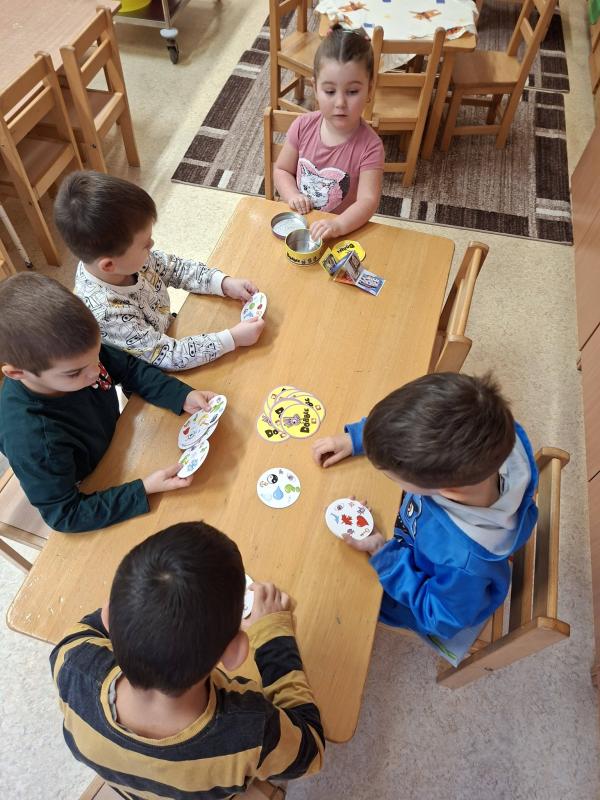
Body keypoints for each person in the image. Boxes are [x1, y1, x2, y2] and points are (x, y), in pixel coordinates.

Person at [50, 521, 325, 799]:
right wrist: (272, 634)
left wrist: (140, 605)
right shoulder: (253, 732)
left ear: (110, 617)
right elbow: (312, 749)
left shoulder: (72, 663)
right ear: (234, 653)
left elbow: (92, 625)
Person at [312, 373, 539, 642]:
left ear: (447, 491)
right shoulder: (491, 429)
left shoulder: (465, 566)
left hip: (419, 593)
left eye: (393, 476)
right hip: (420, 539)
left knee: (330, 594)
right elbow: (421, 424)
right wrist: (359, 440)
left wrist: (384, 554)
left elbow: (438, 618)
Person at [0, 273, 216, 533]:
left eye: (96, 355)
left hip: (114, 441)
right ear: (17, 373)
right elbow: (65, 514)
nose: (95, 371)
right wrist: (143, 489)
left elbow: (128, 368)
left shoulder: (76, 352)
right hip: (88, 479)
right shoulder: (32, 441)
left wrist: (180, 395)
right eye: (75, 373)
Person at [54, 170, 265, 372]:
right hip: (155, 372)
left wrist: (222, 283)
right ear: (109, 265)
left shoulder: (126, 261)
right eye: (145, 244)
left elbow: (175, 269)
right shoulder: (107, 313)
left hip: (169, 332)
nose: (152, 245)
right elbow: (168, 356)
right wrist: (232, 339)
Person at [273, 25, 384, 243]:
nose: (340, 102)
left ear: (369, 89)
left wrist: (338, 225)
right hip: (298, 226)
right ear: (315, 88)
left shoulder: (371, 147)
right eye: (330, 91)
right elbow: (281, 170)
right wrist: (292, 195)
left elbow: (368, 201)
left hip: (341, 233)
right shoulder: (302, 126)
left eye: (352, 91)